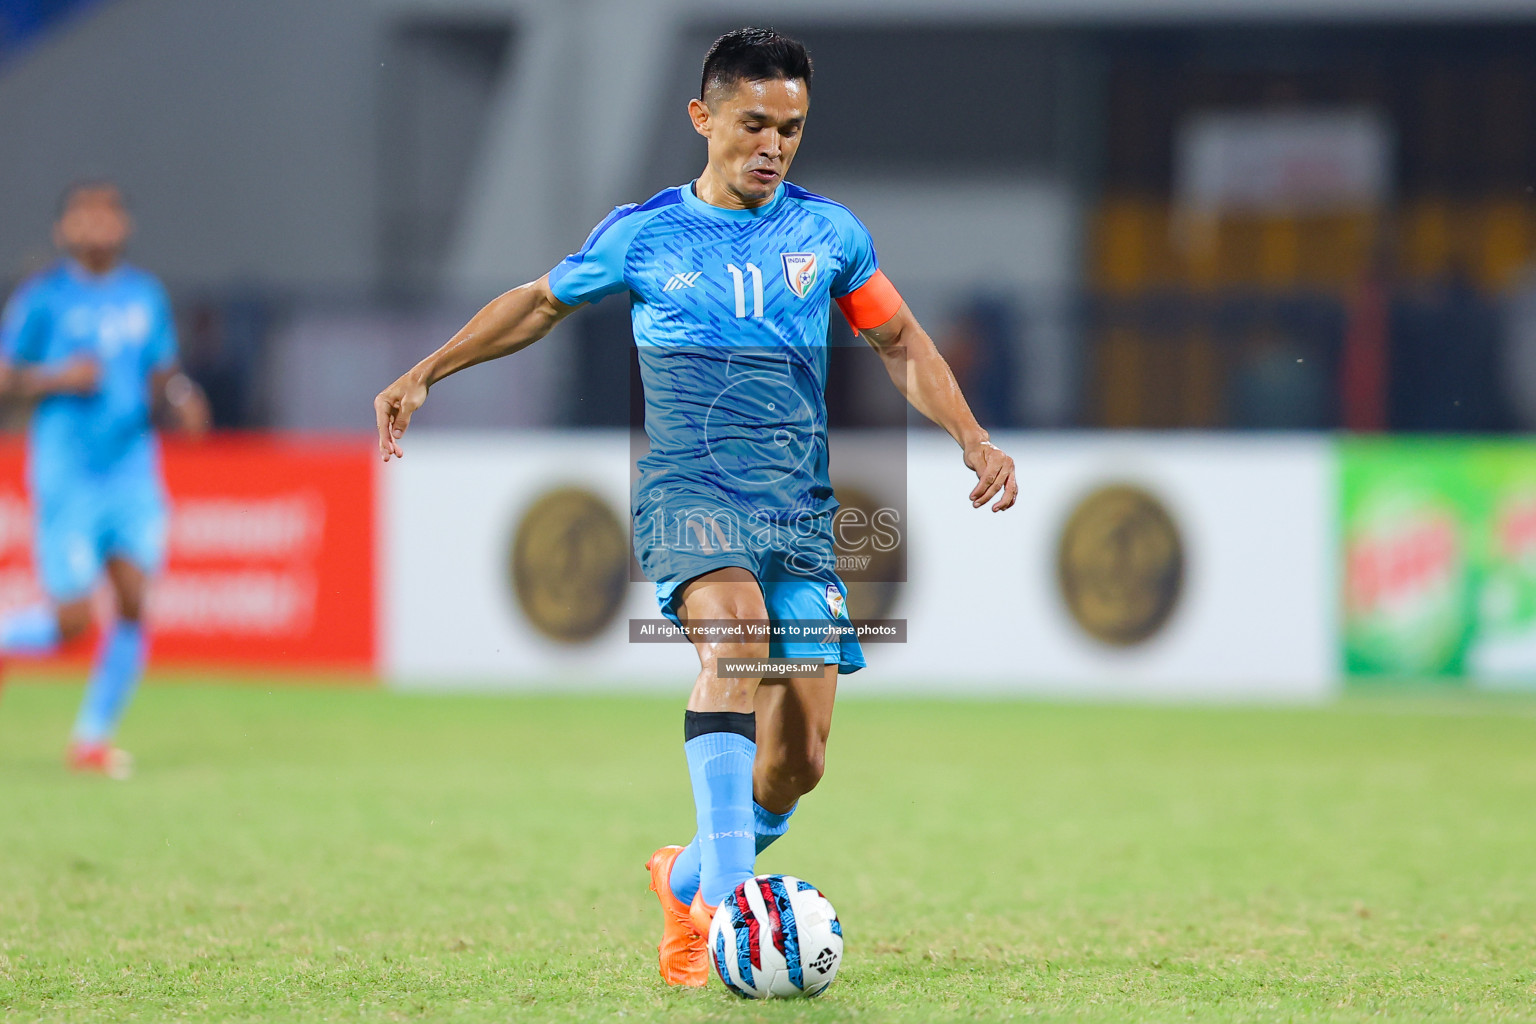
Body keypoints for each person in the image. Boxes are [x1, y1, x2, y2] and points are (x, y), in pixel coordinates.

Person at [373, 27, 1016, 987]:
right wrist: (429, 370)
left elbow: (901, 342)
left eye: (791, 129)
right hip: (690, 492)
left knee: (801, 759)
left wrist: (971, 436)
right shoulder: (645, 234)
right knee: (738, 644)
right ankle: (724, 909)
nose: (774, 145)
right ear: (702, 117)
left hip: (796, 513)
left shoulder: (828, 234)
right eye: (755, 124)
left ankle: (685, 877)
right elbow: (537, 303)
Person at [0, 181, 210, 778]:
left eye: (106, 213)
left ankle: (91, 740)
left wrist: (181, 396)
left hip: (132, 469)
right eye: (82, 214)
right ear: (62, 229)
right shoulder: (43, 298)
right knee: (71, 623)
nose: (96, 223)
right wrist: (56, 378)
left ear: (124, 226)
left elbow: (162, 372)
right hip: (68, 474)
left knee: (134, 600)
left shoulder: (145, 296)